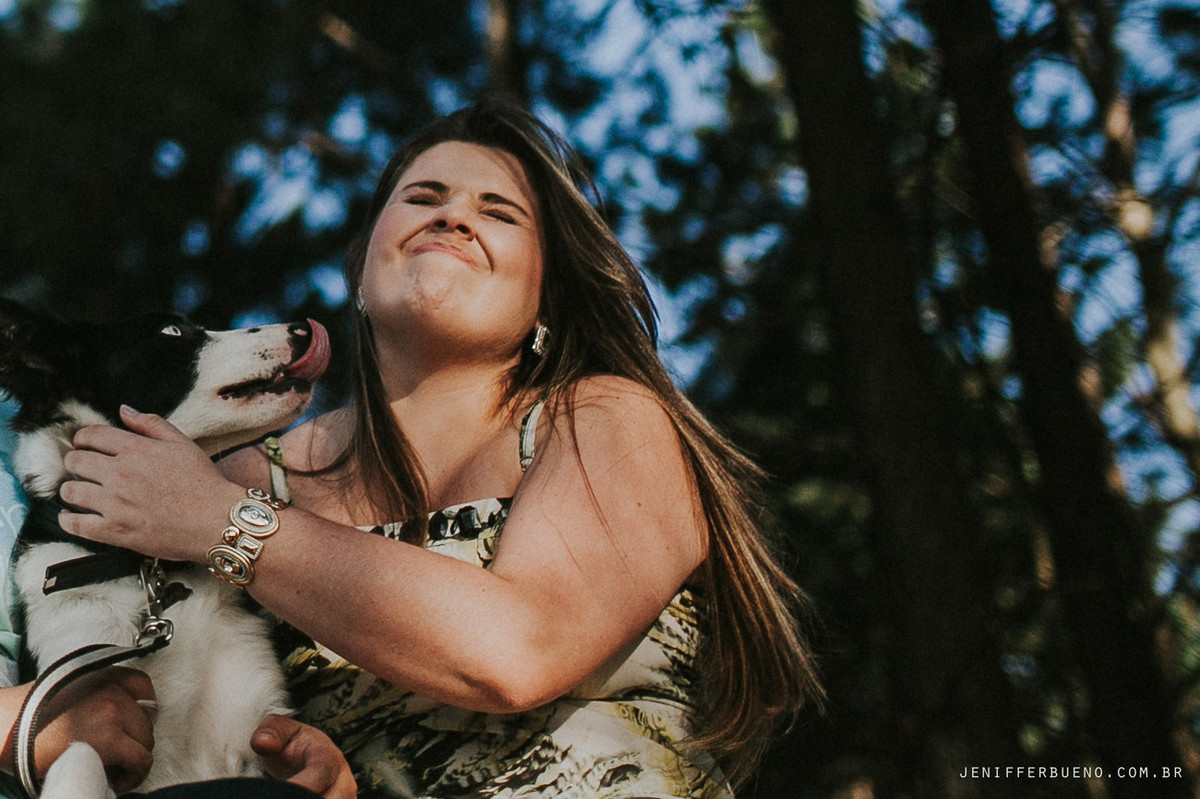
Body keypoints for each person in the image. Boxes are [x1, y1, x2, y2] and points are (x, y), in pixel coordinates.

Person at [54, 97, 823, 798]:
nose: (454, 218)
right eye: (423, 198)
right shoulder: (253, 471)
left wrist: (228, 524)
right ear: (362, 269)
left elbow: (520, 650)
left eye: (499, 212)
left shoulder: (603, 419)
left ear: (546, 296)